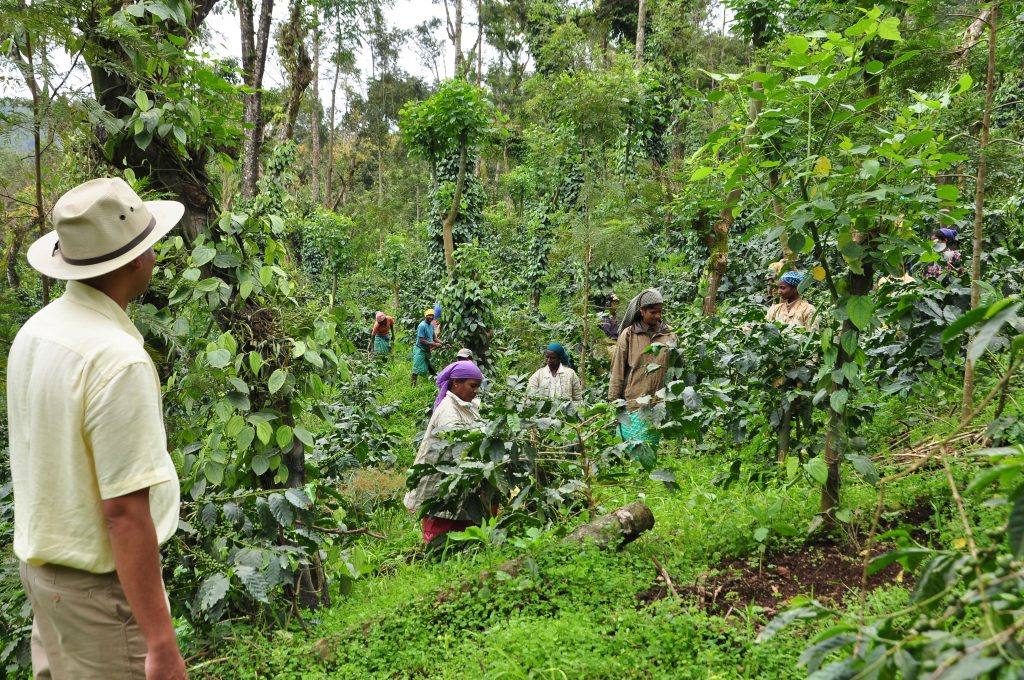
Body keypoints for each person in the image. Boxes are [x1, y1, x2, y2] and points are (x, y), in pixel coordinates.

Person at [7, 177, 187, 679]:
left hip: (45, 580)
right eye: (149, 245)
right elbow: (124, 513)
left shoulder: (35, 332)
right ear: (134, 261)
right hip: (99, 598)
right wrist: (160, 643)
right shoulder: (117, 359)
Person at [404, 361, 486, 544]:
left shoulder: (466, 405)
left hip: (455, 481)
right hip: (439, 483)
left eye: (478, 387)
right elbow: (462, 442)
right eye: (472, 386)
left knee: (460, 535)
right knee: (439, 536)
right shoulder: (448, 410)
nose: (476, 391)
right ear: (456, 383)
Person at [608, 289, 677, 456]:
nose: (658, 316)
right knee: (633, 455)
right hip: (633, 405)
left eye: (660, 312)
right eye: (653, 312)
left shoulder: (670, 335)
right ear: (642, 311)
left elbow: (676, 370)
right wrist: (614, 403)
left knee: (649, 455)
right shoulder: (629, 335)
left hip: (658, 405)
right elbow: (617, 371)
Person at [527, 342, 583, 409]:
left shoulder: (570, 374)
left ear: (560, 358)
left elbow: (578, 398)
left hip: (565, 416)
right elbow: (529, 396)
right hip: (543, 417)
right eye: (547, 357)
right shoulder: (538, 374)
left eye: (552, 358)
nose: (549, 360)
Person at [412, 308, 442, 385]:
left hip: (427, 349)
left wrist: (444, 343)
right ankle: (413, 385)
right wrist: (434, 344)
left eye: (432, 315)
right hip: (420, 349)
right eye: (429, 315)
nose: (431, 317)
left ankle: (436, 381)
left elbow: (435, 338)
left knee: (430, 365)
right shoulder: (422, 326)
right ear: (425, 316)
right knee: (416, 368)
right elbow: (422, 340)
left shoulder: (431, 325)